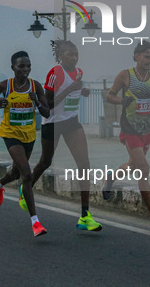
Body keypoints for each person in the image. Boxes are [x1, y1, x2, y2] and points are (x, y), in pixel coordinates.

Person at [27, 40, 102, 232]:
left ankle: (85, 216)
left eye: (76, 54)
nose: (75, 58)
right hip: (52, 123)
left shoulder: (78, 73)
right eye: (70, 54)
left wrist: (82, 91)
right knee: (45, 162)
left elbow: (73, 93)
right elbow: (47, 104)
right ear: (61, 56)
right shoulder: (55, 73)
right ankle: (25, 187)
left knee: (84, 164)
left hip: (71, 122)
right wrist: (70, 89)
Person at [104, 42, 150, 232]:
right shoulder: (125, 75)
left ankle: (111, 177)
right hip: (130, 127)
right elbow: (110, 96)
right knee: (143, 168)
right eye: (146, 57)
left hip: (148, 128)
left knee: (133, 165)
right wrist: (122, 101)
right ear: (136, 56)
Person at [0, 51, 50, 237]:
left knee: (15, 173)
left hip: (29, 135)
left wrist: (37, 102)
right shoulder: (5, 86)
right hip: (10, 134)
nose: (26, 69)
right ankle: (35, 222)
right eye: (21, 66)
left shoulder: (35, 86)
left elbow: (46, 113)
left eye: (28, 66)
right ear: (13, 67)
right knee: (27, 175)